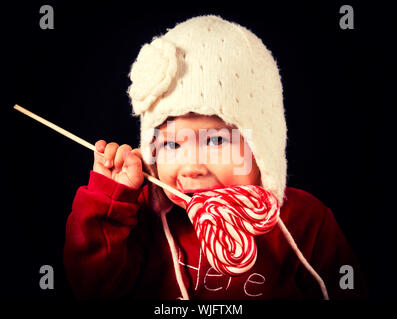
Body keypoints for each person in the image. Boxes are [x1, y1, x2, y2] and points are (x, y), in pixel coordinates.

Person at [63, 15, 367, 299]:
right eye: (171, 146)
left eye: (217, 140)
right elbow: (93, 287)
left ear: (262, 145)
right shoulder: (140, 216)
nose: (192, 167)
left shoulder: (305, 219)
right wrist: (110, 201)